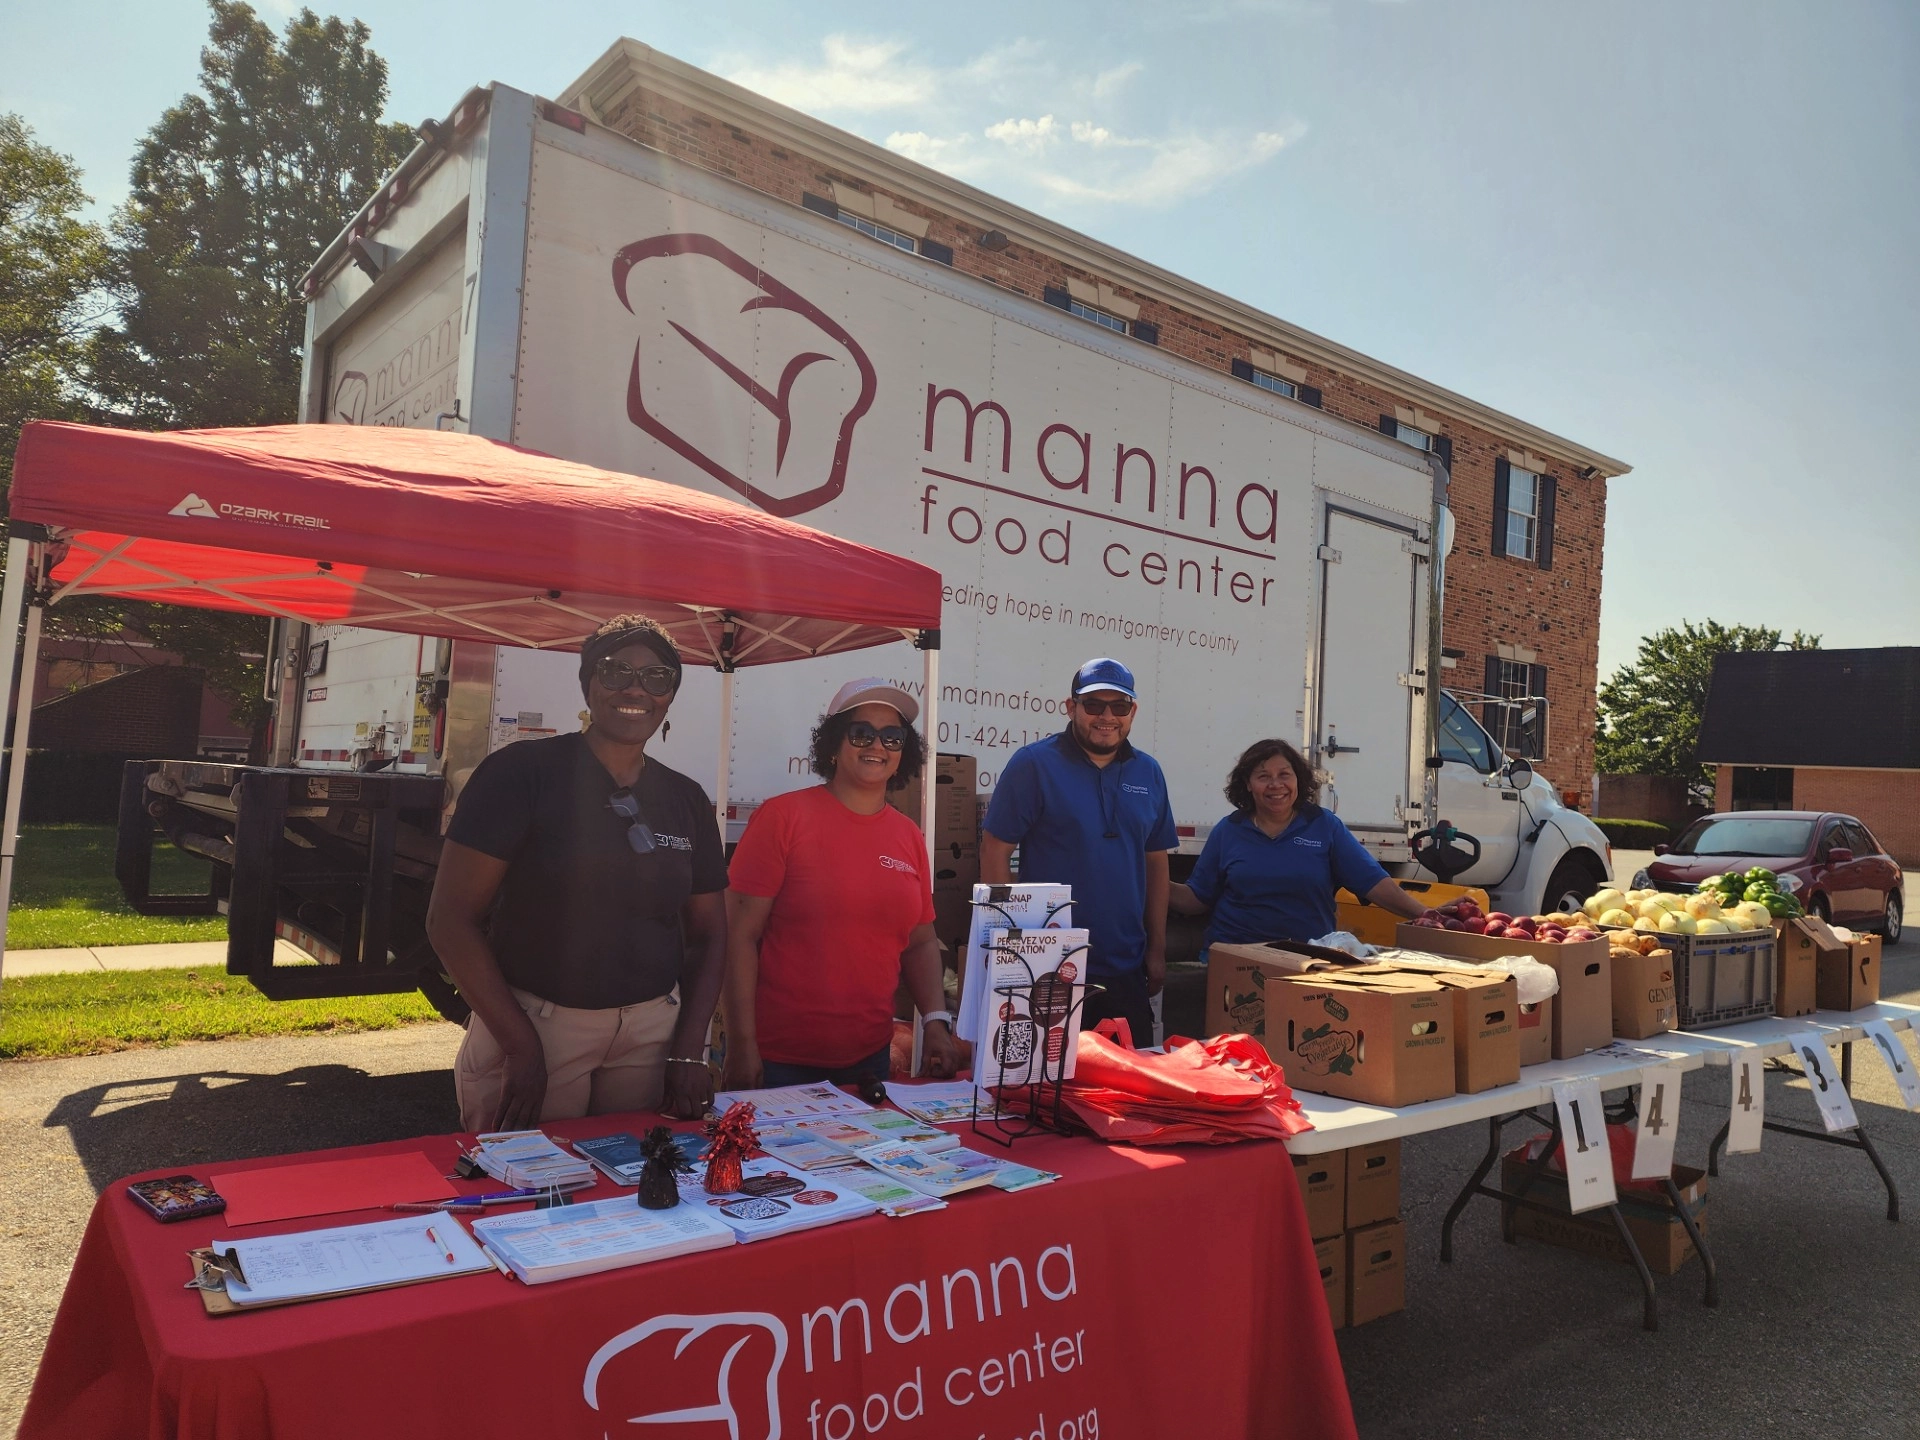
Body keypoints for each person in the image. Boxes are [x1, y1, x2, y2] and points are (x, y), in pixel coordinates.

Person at [427, 615, 727, 1132]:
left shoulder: (685, 798)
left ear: (671, 696)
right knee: (526, 1194)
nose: (636, 688)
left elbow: (710, 933)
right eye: (616, 672)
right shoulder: (521, 774)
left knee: (635, 1194)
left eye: (658, 678)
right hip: (538, 1026)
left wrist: (688, 1049)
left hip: (650, 1031)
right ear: (588, 683)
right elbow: (450, 920)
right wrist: (519, 1047)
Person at [722, 679, 960, 1090]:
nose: (878, 746)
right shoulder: (783, 818)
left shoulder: (908, 836)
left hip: (870, 1061)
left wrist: (936, 1021)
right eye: (861, 733)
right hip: (780, 1062)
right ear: (832, 744)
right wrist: (742, 1046)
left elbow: (921, 941)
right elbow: (737, 937)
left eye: (892, 737)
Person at [981, 658, 1175, 1047]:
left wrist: (1156, 949)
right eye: (1093, 705)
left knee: (1128, 1094)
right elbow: (995, 850)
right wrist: (1008, 944)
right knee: (1042, 1094)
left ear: (1132, 712)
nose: (1107, 716)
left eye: (1119, 706)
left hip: (1124, 968)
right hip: (1047, 969)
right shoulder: (1034, 764)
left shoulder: (1148, 772)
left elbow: (1156, 862)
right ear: (1071, 708)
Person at [1170, 737, 1434, 950]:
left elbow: (1375, 885)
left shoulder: (1324, 826)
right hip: (1237, 960)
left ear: (1298, 779)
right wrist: (1147, 877)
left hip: (1307, 960)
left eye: (1284, 774)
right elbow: (1196, 899)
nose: (1276, 785)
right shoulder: (1229, 831)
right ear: (1248, 785)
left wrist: (1427, 915)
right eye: (1263, 776)